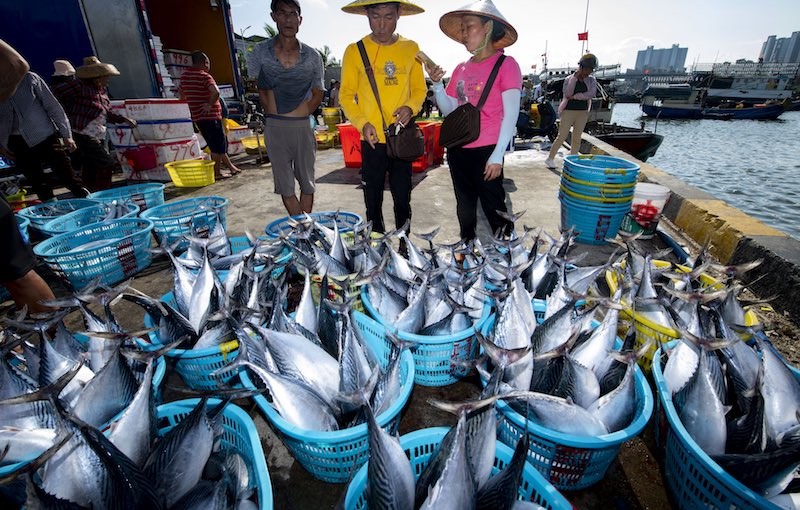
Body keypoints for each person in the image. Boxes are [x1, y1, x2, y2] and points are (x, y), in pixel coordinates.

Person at [424, 0, 521, 248]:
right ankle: (467, 251)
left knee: (495, 208)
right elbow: (450, 110)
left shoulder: (506, 65)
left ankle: (508, 256)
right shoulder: (460, 68)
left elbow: (511, 113)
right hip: (458, 150)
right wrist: (436, 85)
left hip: (487, 151)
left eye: (469, 27)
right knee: (464, 208)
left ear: (487, 27)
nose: (465, 33)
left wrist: (498, 155)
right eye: (463, 29)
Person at [339, 0, 427, 235]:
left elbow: (420, 90)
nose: (381, 25)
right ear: (367, 14)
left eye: (388, 16)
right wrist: (362, 123)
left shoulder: (411, 48)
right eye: (376, 16)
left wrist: (410, 106)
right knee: (372, 199)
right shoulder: (354, 50)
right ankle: (377, 244)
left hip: (401, 138)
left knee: (402, 198)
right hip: (372, 139)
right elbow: (346, 96)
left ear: (399, 14)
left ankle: (404, 244)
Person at [247, 0, 324, 216]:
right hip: (275, 127)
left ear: (300, 20)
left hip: (302, 127)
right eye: (282, 13)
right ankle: (303, 229)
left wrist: (302, 113)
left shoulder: (312, 56)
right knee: (285, 185)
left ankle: (304, 231)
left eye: (293, 14)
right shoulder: (260, 52)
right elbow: (259, 88)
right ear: (274, 17)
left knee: (308, 183)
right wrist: (275, 113)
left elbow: (319, 92)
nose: (288, 19)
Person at [0, 39, 56, 313]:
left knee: (16, 272)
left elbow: (15, 63)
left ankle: (58, 342)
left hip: (43, 138)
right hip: (20, 143)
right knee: (16, 272)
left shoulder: (33, 81)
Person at [0, 66, 86, 201]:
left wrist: (67, 136)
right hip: (16, 142)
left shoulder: (29, 79)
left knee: (67, 176)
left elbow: (53, 107)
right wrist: (1, 145)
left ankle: (86, 200)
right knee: (37, 182)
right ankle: (51, 211)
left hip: (45, 136)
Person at [53, 56, 137, 192]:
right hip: (81, 133)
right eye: (105, 77)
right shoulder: (78, 86)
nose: (107, 80)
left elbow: (106, 113)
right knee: (107, 163)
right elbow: (52, 95)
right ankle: (103, 191)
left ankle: (91, 192)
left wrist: (124, 119)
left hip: (97, 134)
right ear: (97, 77)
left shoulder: (101, 92)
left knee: (91, 166)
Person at [179, 51, 241, 180]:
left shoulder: (184, 77)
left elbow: (181, 95)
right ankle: (217, 173)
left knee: (216, 144)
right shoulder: (204, 76)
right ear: (205, 63)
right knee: (217, 146)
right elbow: (216, 92)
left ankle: (231, 167)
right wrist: (209, 104)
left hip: (198, 117)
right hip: (211, 116)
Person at [544, 53, 597, 170]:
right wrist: (575, 79)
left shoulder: (592, 80)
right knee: (562, 135)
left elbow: (591, 94)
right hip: (568, 110)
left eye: (591, 69)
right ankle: (550, 158)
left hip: (583, 111)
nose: (588, 72)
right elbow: (567, 94)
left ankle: (573, 159)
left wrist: (578, 96)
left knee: (577, 137)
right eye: (587, 68)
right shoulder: (569, 79)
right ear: (581, 67)